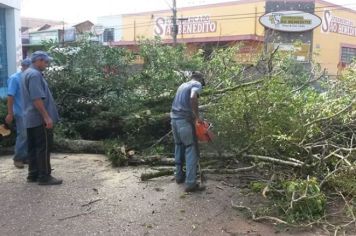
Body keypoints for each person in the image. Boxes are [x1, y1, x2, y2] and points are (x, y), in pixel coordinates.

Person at [20, 51, 62, 185]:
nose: (47, 64)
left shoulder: (26, 73)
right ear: (38, 60)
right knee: (43, 147)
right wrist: (46, 117)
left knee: (33, 147)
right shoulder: (34, 75)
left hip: (29, 117)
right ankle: (44, 176)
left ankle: (33, 174)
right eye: (45, 61)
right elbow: (36, 98)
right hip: (38, 118)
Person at [170, 71, 206, 192]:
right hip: (184, 121)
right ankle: (191, 183)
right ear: (200, 79)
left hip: (174, 120)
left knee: (179, 146)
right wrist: (197, 117)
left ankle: (179, 177)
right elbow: (192, 97)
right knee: (191, 148)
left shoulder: (182, 85)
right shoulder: (197, 84)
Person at [6, 58, 31, 168]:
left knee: (28, 135)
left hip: (29, 112)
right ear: (24, 66)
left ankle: (25, 157)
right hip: (20, 112)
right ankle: (18, 158)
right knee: (23, 135)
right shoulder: (14, 78)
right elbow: (10, 97)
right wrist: (10, 113)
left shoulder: (28, 78)